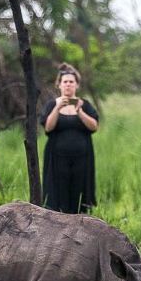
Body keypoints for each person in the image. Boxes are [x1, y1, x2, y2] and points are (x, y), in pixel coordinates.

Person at [40, 63, 99, 214]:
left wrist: (79, 111)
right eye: (65, 82)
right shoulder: (52, 104)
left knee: (79, 195)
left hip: (82, 159)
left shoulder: (85, 105)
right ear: (59, 84)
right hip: (57, 159)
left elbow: (94, 126)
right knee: (57, 195)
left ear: (77, 85)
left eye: (71, 82)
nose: (68, 85)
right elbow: (48, 127)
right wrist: (57, 108)